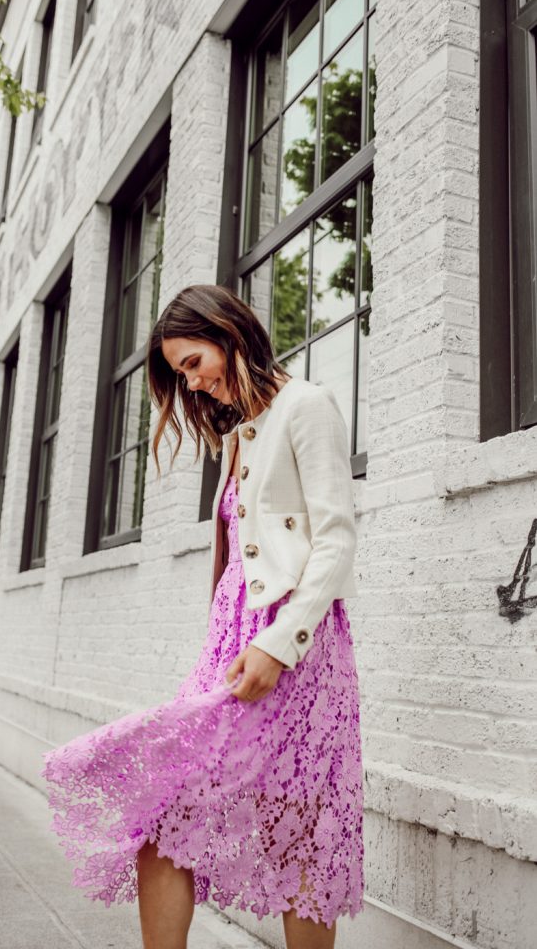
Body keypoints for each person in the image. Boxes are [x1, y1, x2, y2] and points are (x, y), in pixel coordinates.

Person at [41, 284, 364, 949]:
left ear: (226, 333)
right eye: (180, 373)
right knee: (164, 821)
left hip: (292, 651)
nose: (190, 384)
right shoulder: (238, 435)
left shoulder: (305, 406)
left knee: (293, 832)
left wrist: (278, 644)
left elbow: (334, 537)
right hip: (230, 648)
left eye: (192, 363)